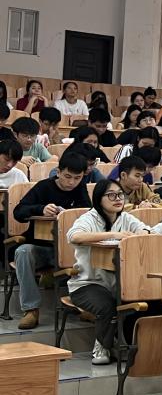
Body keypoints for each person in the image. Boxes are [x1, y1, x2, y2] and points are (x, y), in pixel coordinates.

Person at [67, 179, 152, 364]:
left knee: (143, 300)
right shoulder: (89, 218)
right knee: (108, 305)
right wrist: (113, 235)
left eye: (120, 194)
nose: (118, 199)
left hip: (119, 282)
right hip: (87, 284)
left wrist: (141, 234)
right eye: (111, 195)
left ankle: (129, 345)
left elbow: (146, 230)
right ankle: (102, 346)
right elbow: (75, 236)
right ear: (99, 198)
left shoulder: (125, 217)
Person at [11, 151, 91, 330]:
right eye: (67, 176)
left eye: (77, 178)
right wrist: (41, 209)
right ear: (58, 172)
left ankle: (85, 305)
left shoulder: (80, 188)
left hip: (69, 249)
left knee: (94, 253)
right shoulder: (43, 187)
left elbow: (89, 213)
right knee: (22, 252)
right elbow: (19, 211)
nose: (71, 182)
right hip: (42, 247)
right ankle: (31, 309)